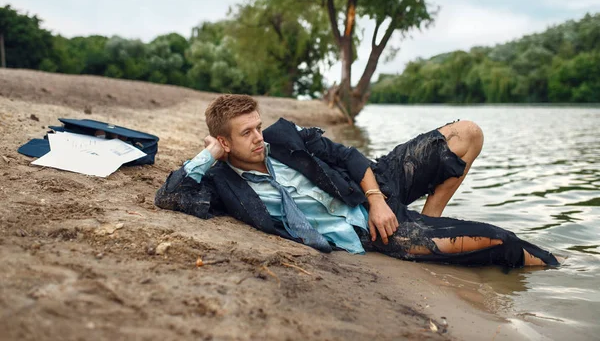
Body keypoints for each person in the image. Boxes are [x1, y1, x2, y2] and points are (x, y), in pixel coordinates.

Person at [155, 94, 558, 268]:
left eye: (257, 127)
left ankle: (426, 217)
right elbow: (169, 195)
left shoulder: (282, 137)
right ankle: (553, 265)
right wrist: (209, 154)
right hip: (367, 231)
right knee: (500, 242)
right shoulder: (224, 184)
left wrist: (378, 198)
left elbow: (348, 156)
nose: (259, 138)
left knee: (466, 132)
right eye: (246, 134)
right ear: (224, 142)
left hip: (376, 188)